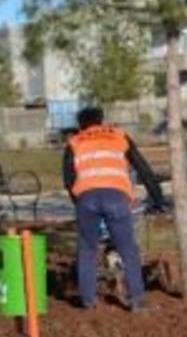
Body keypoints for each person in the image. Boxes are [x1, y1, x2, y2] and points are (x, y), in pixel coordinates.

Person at [62, 107, 165, 312]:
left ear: (81, 124)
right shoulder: (119, 136)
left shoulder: (74, 143)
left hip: (87, 199)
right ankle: (137, 300)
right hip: (116, 198)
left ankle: (89, 302)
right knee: (128, 250)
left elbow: (68, 179)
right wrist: (157, 198)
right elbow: (143, 168)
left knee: (87, 250)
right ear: (102, 121)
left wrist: (80, 202)